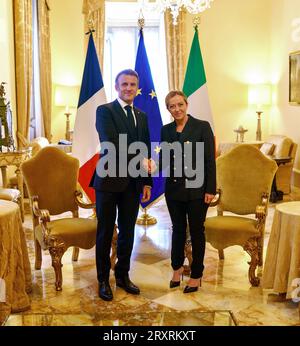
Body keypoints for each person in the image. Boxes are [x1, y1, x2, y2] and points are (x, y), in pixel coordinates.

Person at [90, 69, 152, 301]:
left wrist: (146, 182)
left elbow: (145, 147)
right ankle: (103, 279)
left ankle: (123, 276)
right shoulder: (104, 111)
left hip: (133, 183)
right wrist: (140, 159)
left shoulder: (142, 115)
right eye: (124, 84)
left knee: (128, 231)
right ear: (117, 87)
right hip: (108, 181)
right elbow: (111, 142)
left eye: (132, 84)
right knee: (105, 231)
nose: (128, 88)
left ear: (137, 88)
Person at [160, 90, 216, 293]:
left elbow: (210, 160)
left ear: (186, 104)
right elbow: (165, 160)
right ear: (168, 109)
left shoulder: (202, 127)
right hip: (174, 190)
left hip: (197, 190)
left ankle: (196, 274)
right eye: (172, 106)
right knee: (177, 230)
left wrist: (210, 189)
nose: (177, 109)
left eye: (180, 105)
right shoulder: (166, 130)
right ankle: (176, 269)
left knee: (196, 230)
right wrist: (150, 164)